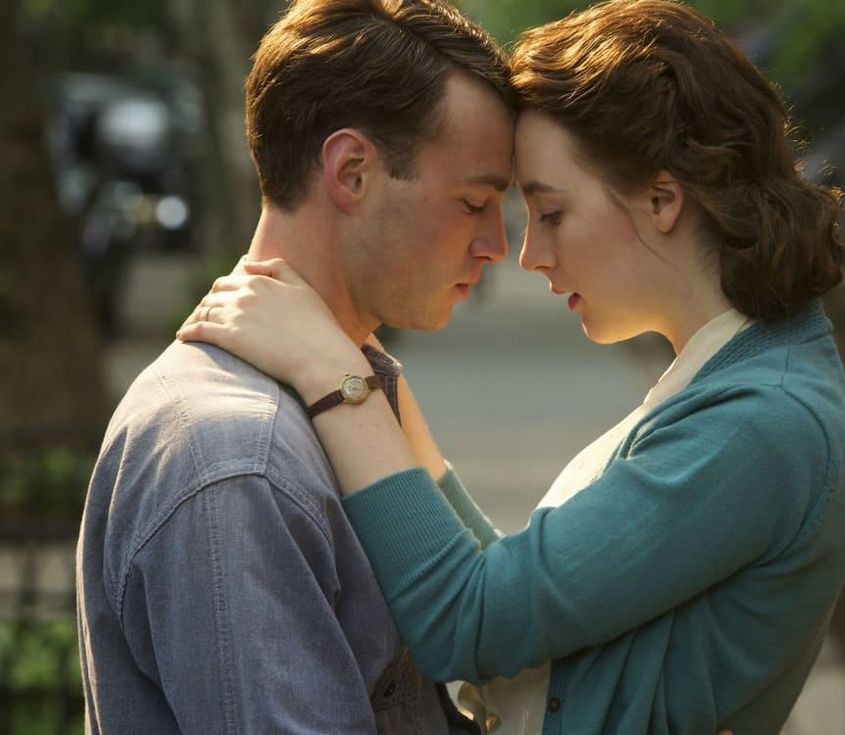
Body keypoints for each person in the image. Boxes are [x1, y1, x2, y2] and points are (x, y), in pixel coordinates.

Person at [177, 1, 845, 733]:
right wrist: (374, 375)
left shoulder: (762, 424)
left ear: (664, 197)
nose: (529, 253)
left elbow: (470, 620)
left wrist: (331, 372)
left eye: (553, 213)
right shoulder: (739, 379)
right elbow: (516, 593)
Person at [75, 0, 517, 731]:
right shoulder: (239, 459)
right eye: (474, 202)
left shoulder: (343, 392)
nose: (497, 244)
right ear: (351, 171)